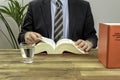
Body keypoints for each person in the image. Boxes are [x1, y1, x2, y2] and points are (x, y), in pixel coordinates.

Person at [18, 0, 98, 52]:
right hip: (42, 58)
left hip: (74, 58)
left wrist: (88, 43)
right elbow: (22, 35)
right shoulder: (34, 6)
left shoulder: (83, 6)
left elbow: (92, 36)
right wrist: (27, 36)